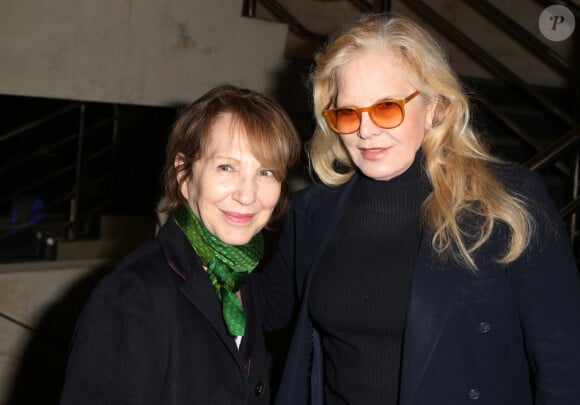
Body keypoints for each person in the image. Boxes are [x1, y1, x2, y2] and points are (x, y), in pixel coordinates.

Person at [258, 13, 580, 405]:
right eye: (348, 112)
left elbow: (565, 363)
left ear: (434, 107)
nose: (365, 131)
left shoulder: (506, 202)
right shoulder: (314, 211)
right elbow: (263, 309)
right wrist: (207, 227)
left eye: (387, 107)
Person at [59, 84, 301, 405]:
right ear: (185, 175)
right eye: (226, 167)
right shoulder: (132, 295)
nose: (247, 194)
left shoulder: (242, 272)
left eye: (266, 172)